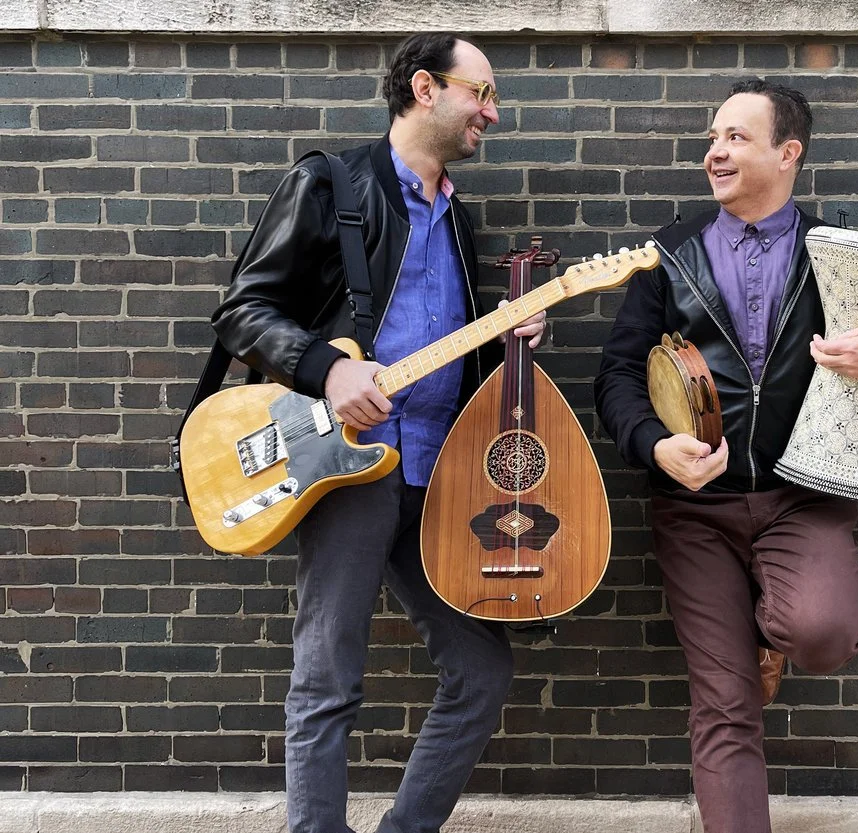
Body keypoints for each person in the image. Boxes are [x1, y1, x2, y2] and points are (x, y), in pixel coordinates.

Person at [593, 78, 858, 833]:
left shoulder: (841, 256)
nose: (715, 151)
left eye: (736, 137)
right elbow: (617, 374)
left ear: (788, 152)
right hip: (693, 508)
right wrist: (655, 446)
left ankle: (770, 635)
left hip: (803, 498)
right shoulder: (671, 253)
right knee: (724, 703)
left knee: (822, 634)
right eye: (713, 137)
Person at [211, 32, 545, 833]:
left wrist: (506, 337)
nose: (493, 114)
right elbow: (243, 312)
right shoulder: (330, 183)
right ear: (425, 88)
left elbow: (443, 345)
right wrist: (329, 369)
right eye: (482, 94)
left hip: (438, 474)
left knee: (481, 669)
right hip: (349, 466)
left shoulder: (457, 221)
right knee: (328, 676)